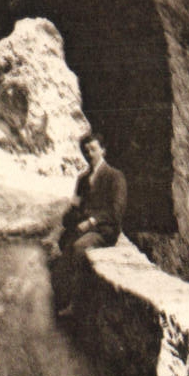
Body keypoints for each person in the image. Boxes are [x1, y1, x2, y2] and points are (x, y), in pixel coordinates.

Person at [51, 134, 128, 319]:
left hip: (104, 230)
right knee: (63, 244)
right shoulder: (82, 179)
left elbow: (116, 211)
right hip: (84, 228)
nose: (89, 154)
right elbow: (75, 205)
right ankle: (62, 298)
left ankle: (76, 305)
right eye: (86, 151)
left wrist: (92, 221)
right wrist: (69, 217)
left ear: (103, 150)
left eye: (93, 149)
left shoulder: (115, 176)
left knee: (78, 248)